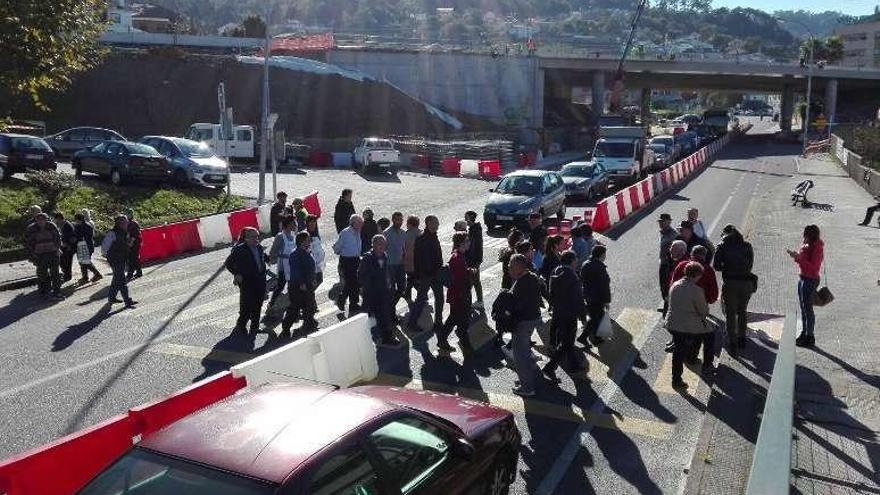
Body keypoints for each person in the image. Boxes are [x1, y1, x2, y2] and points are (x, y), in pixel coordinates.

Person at [666, 262, 714, 389]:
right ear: (696, 275)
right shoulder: (696, 290)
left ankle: (676, 379)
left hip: (672, 323)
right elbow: (703, 311)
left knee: (678, 351)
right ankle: (707, 365)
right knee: (709, 335)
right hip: (687, 325)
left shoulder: (675, 285)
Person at [543, 251, 587, 379]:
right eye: (575, 260)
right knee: (567, 342)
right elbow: (578, 298)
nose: (577, 262)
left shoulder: (555, 271)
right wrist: (583, 317)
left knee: (567, 341)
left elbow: (550, 292)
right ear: (572, 261)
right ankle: (550, 367)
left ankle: (573, 365)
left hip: (558, 311)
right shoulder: (572, 276)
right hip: (569, 314)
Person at [713, 224, 754, 351]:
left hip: (730, 283)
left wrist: (728, 267)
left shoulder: (722, 246)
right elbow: (750, 264)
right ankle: (742, 338)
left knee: (730, 313)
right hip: (746, 283)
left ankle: (732, 341)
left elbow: (717, 266)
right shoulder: (747, 246)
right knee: (742, 311)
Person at [508, 254, 544, 397]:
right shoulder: (532, 277)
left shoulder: (521, 284)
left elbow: (517, 305)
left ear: (518, 268)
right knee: (525, 351)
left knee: (520, 355)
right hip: (533, 319)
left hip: (523, 322)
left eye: (511, 265)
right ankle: (525, 380)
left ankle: (527, 387)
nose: (508, 267)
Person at [360, 235, 401, 348]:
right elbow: (362, 276)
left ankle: (387, 337)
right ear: (373, 245)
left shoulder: (384, 256)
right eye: (380, 244)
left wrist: (389, 285)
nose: (383, 246)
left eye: (384, 244)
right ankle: (361, 338)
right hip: (372, 293)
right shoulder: (368, 258)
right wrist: (370, 287)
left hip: (383, 292)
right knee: (364, 316)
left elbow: (386, 273)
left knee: (384, 315)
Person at [224, 227, 267, 335]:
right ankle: (241, 325)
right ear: (246, 238)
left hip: (260, 279)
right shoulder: (240, 249)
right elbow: (228, 263)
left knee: (258, 305)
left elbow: (263, 259)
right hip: (247, 281)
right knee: (247, 306)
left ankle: (255, 327)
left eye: (257, 236)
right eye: (253, 237)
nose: (256, 239)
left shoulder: (259, 247)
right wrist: (236, 274)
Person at [787, 225, 824, 348]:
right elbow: (804, 259)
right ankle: (804, 332)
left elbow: (814, 267)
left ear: (811, 236)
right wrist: (796, 255)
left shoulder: (817, 248)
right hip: (803, 278)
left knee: (808, 309)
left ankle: (810, 336)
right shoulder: (807, 245)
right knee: (803, 308)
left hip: (810, 280)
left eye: (806, 235)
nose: (804, 237)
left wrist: (798, 259)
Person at [409, 215, 444, 334]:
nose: (438, 225)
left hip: (436, 273)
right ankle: (412, 322)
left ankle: (438, 322)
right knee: (421, 299)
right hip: (427, 274)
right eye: (436, 222)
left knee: (439, 298)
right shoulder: (422, 239)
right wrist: (417, 276)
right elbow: (417, 259)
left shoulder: (433, 236)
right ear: (429, 223)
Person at [281, 231, 318, 338]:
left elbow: (310, 268)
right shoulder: (295, 254)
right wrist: (302, 283)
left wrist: (313, 278)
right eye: (307, 240)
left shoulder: (306, 251)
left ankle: (309, 323)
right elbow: (296, 271)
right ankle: (286, 327)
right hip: (298, 286)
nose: (309, 241)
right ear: (301, 241)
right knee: (295, 308)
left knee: (309, 305)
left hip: (308, 284)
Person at [441, 232, 472, 353]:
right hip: (459, 296)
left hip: (458, 295)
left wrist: (468, 271)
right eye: (467, 241)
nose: (469, 243)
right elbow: (459, 280)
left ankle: (442, 339)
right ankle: (468, 349)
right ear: (462, 243)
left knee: (453, 319)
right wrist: (463, 297)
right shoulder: (457, 258)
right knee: (463, 323)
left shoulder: (459, 255)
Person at [579, 245, 611, 348]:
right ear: (601, 255)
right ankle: (593, 338)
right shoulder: (600, 267)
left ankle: (585, 336)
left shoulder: (585, 264)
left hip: (588, 295)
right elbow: (604, 285)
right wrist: (607, 301)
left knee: (595, 316)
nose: (605, 256)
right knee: (597, 318)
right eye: (605, 254)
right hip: (597, 297)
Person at [25, 213, 63, 299]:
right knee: (43, 274)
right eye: (39, 220)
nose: (41, 221)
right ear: (36, 220)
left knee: (55, 273)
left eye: (43, 219)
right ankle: (46, 291)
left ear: (46, 219)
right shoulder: (31, 228)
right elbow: (28, 243)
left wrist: (57, 248)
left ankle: (57, 292)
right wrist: (32, 255)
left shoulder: (51, 226)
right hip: (40, 254)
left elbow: (58, 238)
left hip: (53, 252)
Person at [102, 215, 137, 308]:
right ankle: (127, 301)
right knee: (121, 280)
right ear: (119, 223)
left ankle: (111, 297)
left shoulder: (124, 232)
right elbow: (105, 246)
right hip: (115, 259)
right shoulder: (112, 233)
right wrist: (107, 256)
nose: (127, 224)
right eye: (125, 222)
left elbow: (126, 244)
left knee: (116, 278)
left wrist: (130, 242)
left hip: (122, 258)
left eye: (126, 222)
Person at [333, 214, 363, 314]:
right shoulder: (345, 233)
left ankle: (348, 301)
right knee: (352, 282)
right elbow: (337, 247)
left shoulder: (357, 231)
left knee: (355, 282)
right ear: (353, 223)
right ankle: (349, 302)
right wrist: (338, 251)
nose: (361, 225)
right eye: (359, 223)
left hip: (356, 259)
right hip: (347, 260)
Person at [268, 216, 297, 308]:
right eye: (294, 223)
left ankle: (294, 305)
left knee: (293, 286)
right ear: (288, 224)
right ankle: (272, 303)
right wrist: (280, 257)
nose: (296, 225)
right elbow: (273, 252)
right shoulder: (280, 236)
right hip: (284, 266)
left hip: (293, 265)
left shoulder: (293, 235)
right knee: (280, 286)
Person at [383, 212, 407, 312]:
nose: (399, 222)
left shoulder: (403, 232)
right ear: (393, 220)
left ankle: (390, 307)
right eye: (397, 220)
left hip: (400, 264)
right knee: (391, 290)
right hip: (390, 265)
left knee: (402, 288)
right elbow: (382, 248)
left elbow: (404, 248)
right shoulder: (386, 233)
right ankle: (391, 312)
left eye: (401, 220)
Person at [657, 213, 679, 315]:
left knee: (667, 286)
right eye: (660, 222)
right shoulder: (663, 232)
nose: (661, 223)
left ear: (669, 222)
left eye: (663, 221)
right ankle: (667, 305)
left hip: (669, 265)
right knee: (663, 286)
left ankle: (668, 309)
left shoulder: (672, 234)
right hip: (663, 263)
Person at [73, 212, 102, 284]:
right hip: (80, 247)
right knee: (82, 262)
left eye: (77, 220)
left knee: (86, 262)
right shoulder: (78, 226)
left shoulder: (87, 226)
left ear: (80, 219)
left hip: (86, 247)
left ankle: (96, 274)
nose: (76, 221)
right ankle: (86, 277)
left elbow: (88, 237)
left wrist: (78, 238)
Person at [465, 211, 484, 308]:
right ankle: (480, 300)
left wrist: (468, 261)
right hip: (476, 259)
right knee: (476, 281)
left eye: (466, 218)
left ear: (471, 218)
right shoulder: (475, 229)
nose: (465, 220)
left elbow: (471, 247)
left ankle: (469, 302)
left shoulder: (474, 230)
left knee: (471, 282)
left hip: (473, 260)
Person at [402, 215, 421, 304]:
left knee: (411, 278)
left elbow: (403, 247)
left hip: (409, 260)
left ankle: (419, 294)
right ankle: (408, 293)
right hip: (418, 261)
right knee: (413, 278)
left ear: (410, 224)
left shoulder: (407, 234)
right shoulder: (421, 233)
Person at [53, 212, 76, 283]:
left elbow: (72, 237)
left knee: (67, 263)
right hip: (63, 247)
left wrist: (68, 244)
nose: (56, 221)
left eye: (57, 219)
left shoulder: (68, 225)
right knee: (62, 262)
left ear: (60, 218)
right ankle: (66, 274)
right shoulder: (60, 225)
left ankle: (67, 276)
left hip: (69, 247)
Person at [305, 214, 325, 287]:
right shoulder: (306, 235)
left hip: (318, 266)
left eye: (314, 223)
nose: (313, 225)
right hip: (311, 268)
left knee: (319, 281)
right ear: (307, 224)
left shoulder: (316, 233)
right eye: (311, 223)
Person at [126, 211, 143, 280]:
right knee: (134, 258)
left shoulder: (133, 223)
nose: (127, 215)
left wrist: (131, 243)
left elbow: (135, 235)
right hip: (131, 242)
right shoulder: (128, 223)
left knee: (132, 258)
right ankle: (139, 272)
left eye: (128, 214)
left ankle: (130, 274)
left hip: (135, 242)